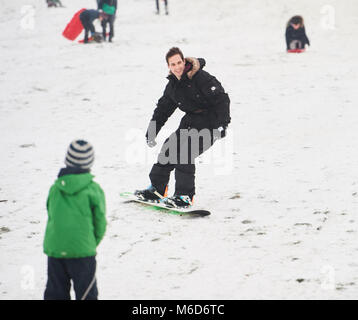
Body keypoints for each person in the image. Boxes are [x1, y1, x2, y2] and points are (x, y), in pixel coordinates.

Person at [135, 47, 231, 208]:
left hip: (210, 123)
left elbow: (222, 100)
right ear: (169, 67)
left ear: (184, 61)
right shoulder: (173, 86)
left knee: (185, 154)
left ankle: (184, 196)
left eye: (179, 62)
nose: (177, 67)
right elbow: (162, 110)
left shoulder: (201, 77)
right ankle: (157, 190)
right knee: (168, 149)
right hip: (190, 122)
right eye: (173, 64)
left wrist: (222, 125)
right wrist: (152, 132)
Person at [43, 140, 107, 300]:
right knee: (86, 293)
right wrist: (90, 242)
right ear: (89, 163)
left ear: (67, 160)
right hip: (82, 251)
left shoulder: (55, 188)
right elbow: (100, 221)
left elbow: (51, 213)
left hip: (56, 249)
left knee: (56, 292)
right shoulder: (93, 189)